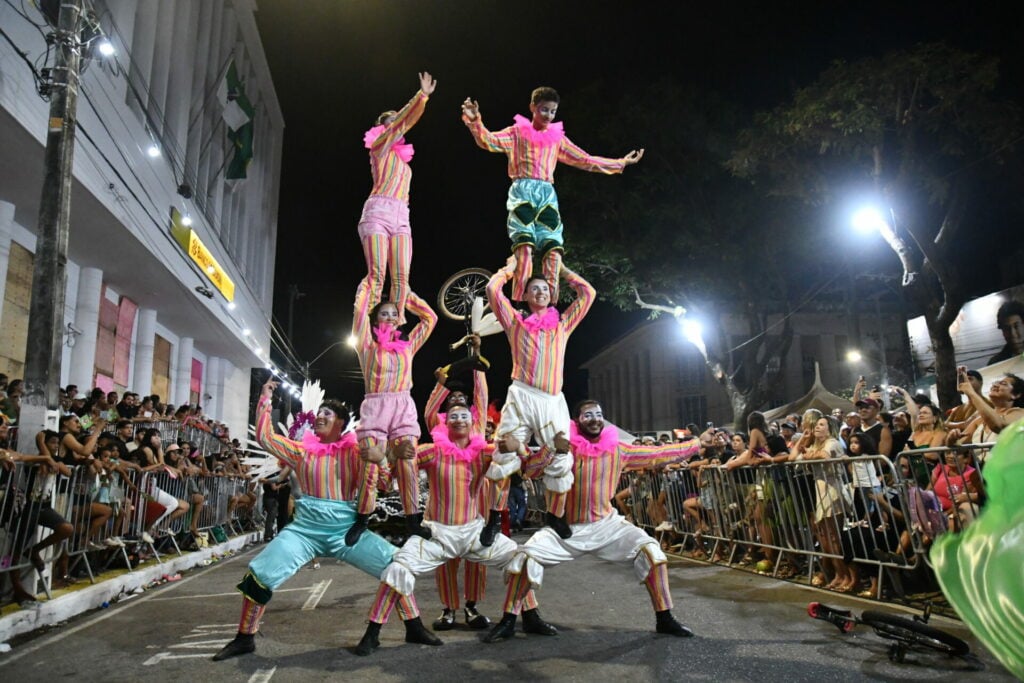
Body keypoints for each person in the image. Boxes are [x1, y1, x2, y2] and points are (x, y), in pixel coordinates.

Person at [213, 378, 408, 661]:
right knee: (259, 574)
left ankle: (399, 628)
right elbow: (266, 438)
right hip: (304, 531)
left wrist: (381, 460)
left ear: (341, 423)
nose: (320, 417)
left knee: (399, 566)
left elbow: (386, 485)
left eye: (328, 414)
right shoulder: (300, 450)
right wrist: (265, 399)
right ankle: (245, 637)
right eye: (320, 413)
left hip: (347, 531)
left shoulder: (358, 452)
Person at [483, 400, 701, 643]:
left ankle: (665, 618)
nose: (595, 419)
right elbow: (531, 471)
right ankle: (509, 620)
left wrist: (696, 443)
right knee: (524, 558)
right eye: (588, 415)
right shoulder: (565, 447)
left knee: (652, 553)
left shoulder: (618, 449)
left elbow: (659, 454)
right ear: (577, 421)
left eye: (599, 414)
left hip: (608, 525)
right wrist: (549, 450)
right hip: (566, 529)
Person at [354, 404, 545, 656]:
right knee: (397, 568)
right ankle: (373, 633)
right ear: (445, 423)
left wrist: (518, 447)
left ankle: (517, 618)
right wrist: (390, 455)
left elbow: (526, 464)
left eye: (464, 416)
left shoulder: (483, 452)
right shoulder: (433, 451)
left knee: (525, 560)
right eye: (452, 416)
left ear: (472, 421)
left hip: (474, 532)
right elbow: (390, 480)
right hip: (437, 534)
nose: (458, 420)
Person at [461, 87, 643, 301]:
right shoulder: (517, 132)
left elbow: (585, 160)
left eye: (553, 111)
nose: (548, 115)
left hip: (547, 195)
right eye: (544, 110)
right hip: (522, 192)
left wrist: (619, 163)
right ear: (532, 108)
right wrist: (475, 121)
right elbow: (489, 141)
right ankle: (520, 301)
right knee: (525, 248)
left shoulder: (557, 139)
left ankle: (549, 304)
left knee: (553, 251)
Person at [483, 257, 595, 542]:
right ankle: (495, 518)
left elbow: (588, 294)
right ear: (525, 295)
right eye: (534, 288)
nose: (540, 292)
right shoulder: (516, 323)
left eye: (544, 288)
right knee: (503, 456)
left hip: (551, 400)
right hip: (521, 395)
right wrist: (509, 268)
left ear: (551, 294)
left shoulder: (563, 325)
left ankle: (555, 517)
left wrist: (563, 271)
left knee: (561, 457)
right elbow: (493, 290)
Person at [347, 275, 437, 544]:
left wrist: (407, 296)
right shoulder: (366, 345)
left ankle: (413, 521)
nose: (389, 317)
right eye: (383, 314)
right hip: (375, 406)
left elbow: (430, 319)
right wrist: (368, 287)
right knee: (371, 466)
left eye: (393, 314)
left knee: (409, 461)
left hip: (402, 405)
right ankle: (362, 520)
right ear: (375, 322)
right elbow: (361, 312)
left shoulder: (407, 346)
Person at [423, 351, 493, 630]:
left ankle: (472, 607)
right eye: (451, 400)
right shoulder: (439, 428)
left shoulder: (476, 423)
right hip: (443, 501)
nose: (457, 403)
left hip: (477, 497)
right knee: (446, 557)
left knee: (478, 555)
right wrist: (441, 384)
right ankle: (448, 608)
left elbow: (482, 397)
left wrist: (477, 364)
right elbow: (428, 411)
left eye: (462, 400)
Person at [359, 71, 436, 323]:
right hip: (378, 212)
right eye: (390, 121)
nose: (396, 124)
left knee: (402, 277)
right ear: (382, 128)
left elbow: (405, 122)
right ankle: (369, 324)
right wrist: (421, 96)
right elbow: (404, 121)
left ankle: (395, 324)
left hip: (402, 214)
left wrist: (422, 101)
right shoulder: (379, 148)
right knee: (378, 275)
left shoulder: (404, 163)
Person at [986, 299, 1024, 365]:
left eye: (1016, 326)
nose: (1013, 334)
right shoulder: (996, 363)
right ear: (1003, 332)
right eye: (1007, 328)